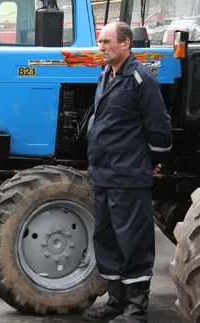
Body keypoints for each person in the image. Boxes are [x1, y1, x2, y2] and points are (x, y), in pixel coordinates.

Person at [84, 22, 172, 323]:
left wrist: (157, 161)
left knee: (133, 241)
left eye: (107, 41)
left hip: (128, 175)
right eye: (99, 41)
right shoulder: (105, 75)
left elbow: (158, 126)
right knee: (107, 239)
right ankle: (115, 302)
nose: (101, 47)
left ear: (126, 44)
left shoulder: (140, 78)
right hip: (104, 175)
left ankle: (136, 309)